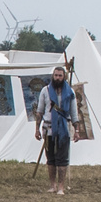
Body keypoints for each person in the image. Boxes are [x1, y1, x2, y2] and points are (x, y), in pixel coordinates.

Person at [34, 65, 77, 194]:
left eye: (60, 76)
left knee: (62, 159)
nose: (57, 78)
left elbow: (74, 113)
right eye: (55, 75)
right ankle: (52, 185)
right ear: (53, 76)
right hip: (48, 129)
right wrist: (37, 129)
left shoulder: (70, 92)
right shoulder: (45, 91)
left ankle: (61, 187)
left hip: (64, 129)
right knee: (51, 158)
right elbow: (40, 111)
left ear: (64, 77)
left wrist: (77, 130)